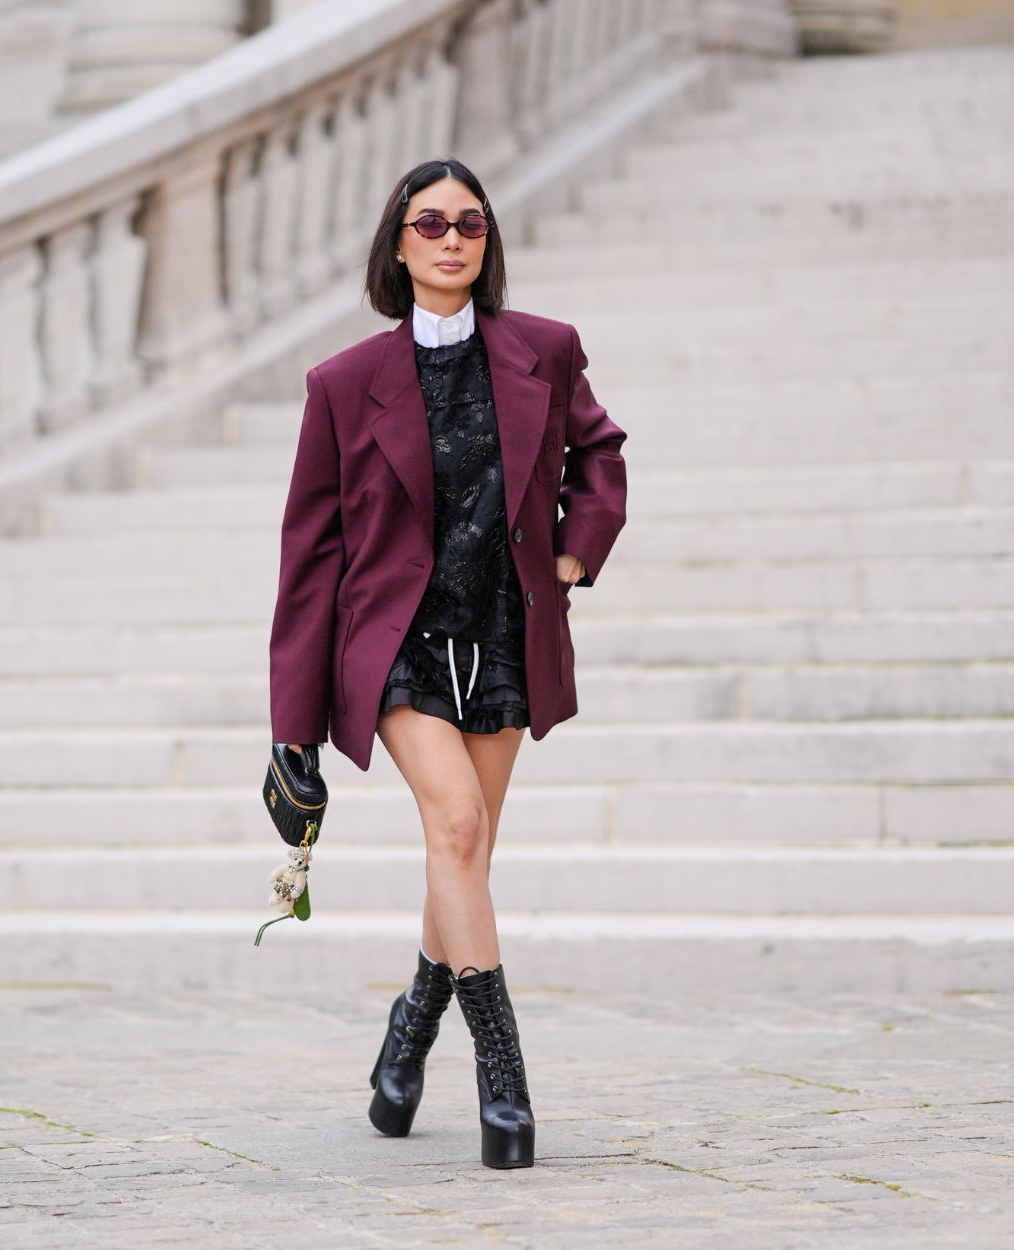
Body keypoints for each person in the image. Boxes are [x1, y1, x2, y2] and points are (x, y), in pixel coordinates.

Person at [268, 157, 627, 1169]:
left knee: (458, 854)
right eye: (429, 223)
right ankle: (503, 1082)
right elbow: (309, 554)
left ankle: (410, 1024)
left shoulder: (542, 352)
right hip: (394, 646)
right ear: (397, 243)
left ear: (486, 241)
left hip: (505, 635)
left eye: (469, 222)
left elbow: (600, 453)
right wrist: (291, 720)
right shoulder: (342, 384)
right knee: (458, 824)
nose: (450, 238)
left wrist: (573, 548)